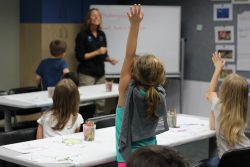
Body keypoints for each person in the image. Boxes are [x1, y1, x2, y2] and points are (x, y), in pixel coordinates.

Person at [116, 4, 169, 167]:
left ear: (134, 72)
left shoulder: (127, 91)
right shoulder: (159, 94)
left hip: (128, 159)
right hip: (153, 158)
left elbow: (129, 56)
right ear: (160, 76)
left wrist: (135, 24)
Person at [204, 52, 250, 167]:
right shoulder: (244, 108)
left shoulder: (218, 105)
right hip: (246, 155)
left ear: (224, 90)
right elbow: (213, 126)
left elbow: (210, 93)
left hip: (227, 161)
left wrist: (218, 69)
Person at [75, 8, 118, 116]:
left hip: (100, 73)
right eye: (94, 15)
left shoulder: (102, 34)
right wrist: (97, 52)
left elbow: (103, 55)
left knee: (100, 102)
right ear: (88, 19)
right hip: (87, 73)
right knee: (86, 101)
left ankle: (98, 125)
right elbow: (80, 56)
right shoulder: (82, 35)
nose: (96, 17)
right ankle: (85, 124)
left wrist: (109, 59)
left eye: (98, 15)